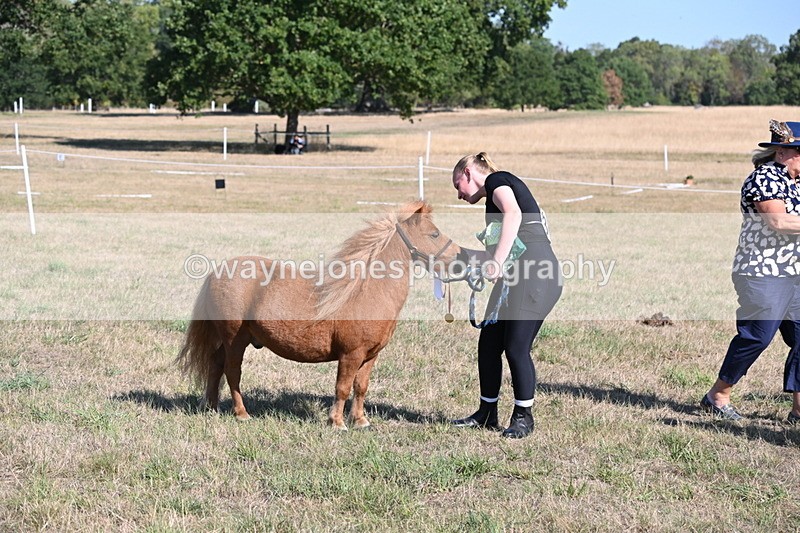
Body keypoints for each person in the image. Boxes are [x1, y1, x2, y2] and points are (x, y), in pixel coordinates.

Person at [450, 152, 562, 438]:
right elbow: (495, 253)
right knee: (489, 343)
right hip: (516, 278)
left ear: (467, 174)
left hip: (536, 275)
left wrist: (497, 262)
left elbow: (514, 214)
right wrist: (449, 259)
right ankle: (486, 413)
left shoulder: (498, 180)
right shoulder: (491, 201)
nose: (459, 196)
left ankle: (523, 417)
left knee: (515, 347)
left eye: (457, 187)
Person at [701, 120, 800, 424]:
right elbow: (779, 223)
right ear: (783, 152)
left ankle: (799, 411)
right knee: (758, 336)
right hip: (762, 271)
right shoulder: (764, 178)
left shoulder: (796, 181)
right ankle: (718, 395)